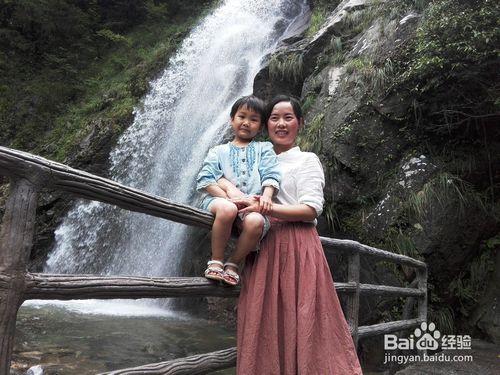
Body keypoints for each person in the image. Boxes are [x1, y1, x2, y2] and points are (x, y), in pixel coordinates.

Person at [218, 95, 363, 374]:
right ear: (265, 124)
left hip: (297, 246)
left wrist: (267, 206)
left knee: (305, 320)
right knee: (264, 321)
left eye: (288, 118)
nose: (281, 124)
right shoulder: (256, 158)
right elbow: (219, 176)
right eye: (274, 118)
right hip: (262, 244)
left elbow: (311, 209)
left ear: (300, 123)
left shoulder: (306, 160)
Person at [196, 95, 281, 286]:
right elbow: (206, 178)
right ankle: (216, 261)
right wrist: (228, 197)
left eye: (253, 119)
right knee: (227, 209)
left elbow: (271, 174)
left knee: (256, 221)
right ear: (231, 119)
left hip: (251, 203)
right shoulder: (217, 151)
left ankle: (233, 263)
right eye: (241, 116)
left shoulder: (264, 149)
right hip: (218, 200)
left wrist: (267, 196)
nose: (246, 122)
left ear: (260, 127)